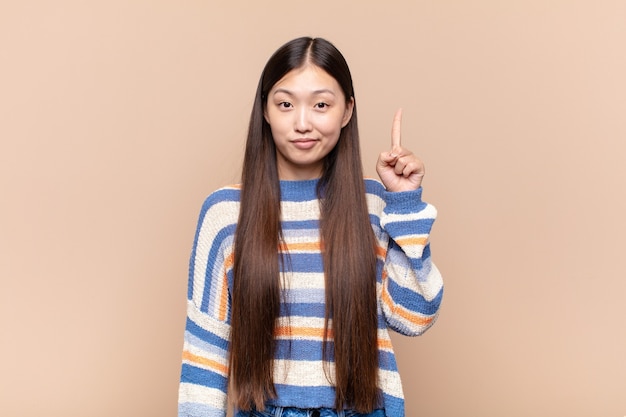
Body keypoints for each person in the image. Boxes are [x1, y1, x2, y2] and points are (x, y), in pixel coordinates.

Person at [178, 37, 443, 417]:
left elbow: (415, 316)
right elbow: (204, 355)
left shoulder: (376, 204)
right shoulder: (225, 213)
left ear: (347, 110)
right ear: (266, 110)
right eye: (285, 104)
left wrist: (405, 202)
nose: (302, 123)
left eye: (321, 105)